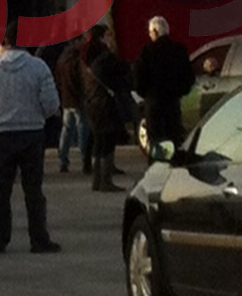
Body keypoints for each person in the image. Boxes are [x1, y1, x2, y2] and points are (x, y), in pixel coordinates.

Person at [0, 20, 62, 255]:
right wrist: (38, 114)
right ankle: (39, 239)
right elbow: (52, 104)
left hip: (1, 134)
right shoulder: (39, 67)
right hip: (32, 133)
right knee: (34, 190)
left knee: (1, 189)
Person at [81, 24, 132, 193]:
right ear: (102, 38)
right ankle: (106, 181)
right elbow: (123, 75)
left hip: (92, 103)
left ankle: (97, 180)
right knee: (107, 143)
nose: (110, 39)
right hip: (106, 105)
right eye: (108, 36)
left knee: (97, 142)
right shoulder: (106, 58)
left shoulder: (86, 57)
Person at [133, 15, 195, 151]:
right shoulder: (179, 50)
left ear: (155, 32)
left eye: (150, 32)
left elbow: (138, 79)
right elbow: (189, 77)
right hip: (173, 102)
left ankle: (157, 166)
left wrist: (146, 94)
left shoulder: (147, 52)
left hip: (153, 103)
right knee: (173, 138)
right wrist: (179, 91)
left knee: (156, 140)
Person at [54, 35, 90, 174]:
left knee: (67, 130)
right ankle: (84, 160)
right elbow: (81, 80)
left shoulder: (62, 58)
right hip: (78, 99)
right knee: (82, 131)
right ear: (76, 41)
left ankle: (63, 160)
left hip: (66, 99)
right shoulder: (77, 59)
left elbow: (57, 78)